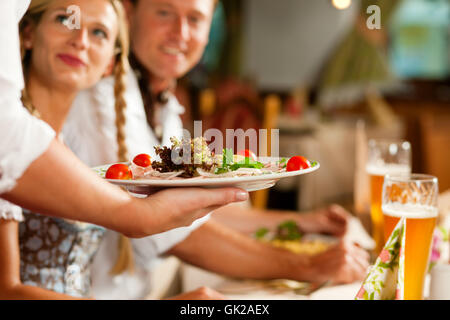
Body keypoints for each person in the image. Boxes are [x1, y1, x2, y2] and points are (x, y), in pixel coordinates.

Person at [63, 0, 370, 299]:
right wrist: (307, 265)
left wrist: (302, 222)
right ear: (129, 14)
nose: (180, 32)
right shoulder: (100, 99)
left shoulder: (163, 104)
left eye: (195, 19)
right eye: (164, 12)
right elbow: (171, 233)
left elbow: (193, 211)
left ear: (210, 29)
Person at [0, 0, 249, 300]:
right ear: (27, 33)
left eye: (99, 33)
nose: (80, 41)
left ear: (110, 63)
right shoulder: (14, 149)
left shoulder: (66, 145)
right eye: (66, 20)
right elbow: (7, 291)